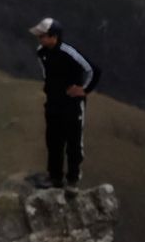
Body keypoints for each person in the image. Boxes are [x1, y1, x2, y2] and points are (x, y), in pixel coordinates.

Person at [29, 17, 98, 189]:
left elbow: (93, 70)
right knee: (53, 141)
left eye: (43, 36)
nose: (40, 39)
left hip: (72, 105)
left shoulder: (69, 53)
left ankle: (72, 180)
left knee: (73, 142)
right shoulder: (41, 52)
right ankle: (55, 177)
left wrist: (84, 89)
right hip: (53, 103)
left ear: (54, 36)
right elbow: (46, 72)